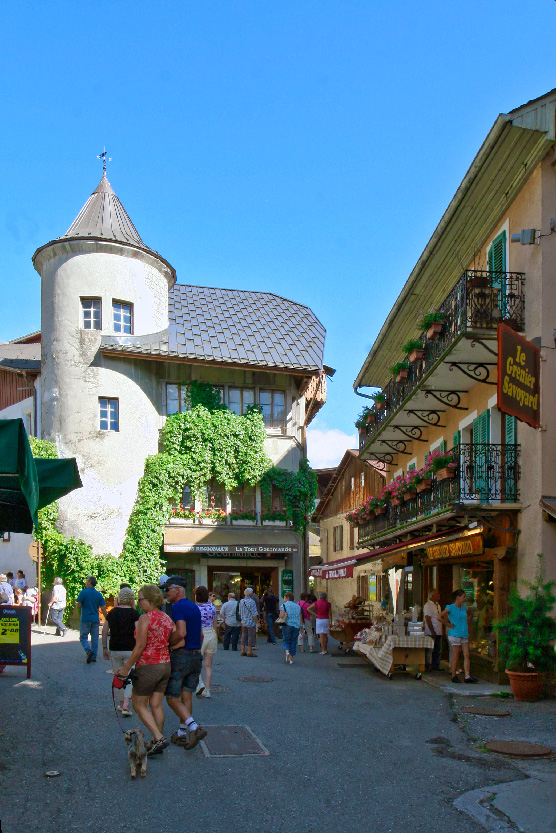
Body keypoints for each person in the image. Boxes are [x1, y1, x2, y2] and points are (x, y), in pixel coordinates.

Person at [116, 584, 174, 757]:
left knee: (139, 704)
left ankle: (158, 738)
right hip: (165, 665)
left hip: (148, 666)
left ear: (149, 600)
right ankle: (158, 741)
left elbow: (140, 646)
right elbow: (177, 633)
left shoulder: (145, 618)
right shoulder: (165, 617)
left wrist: (126, 668)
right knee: (156, 703)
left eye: (140, 599)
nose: (138, 603)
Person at [162, 576, 207, 750]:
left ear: (177, 589)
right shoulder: (194, 607)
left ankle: (194, 727)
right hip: (196, 655)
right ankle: (181, 733)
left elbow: (181, 632)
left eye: (167, 589)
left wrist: (168, 642)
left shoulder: (178, 606)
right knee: (186, 695)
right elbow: (201, 635)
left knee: (172, 697)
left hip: (182, 655)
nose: (165, 592)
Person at [102, 586, 140, 717]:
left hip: (115, 648)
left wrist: (104, 648)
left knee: (118, 675)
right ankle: (126, 704)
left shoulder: (112, 613)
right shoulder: (135, 614)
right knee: (129, 675)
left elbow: (105, 630)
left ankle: (121, 701)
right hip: (131, 649)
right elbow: (138, 632)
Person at [439, 589, 478, 684]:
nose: (464, 599)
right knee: (456, 655)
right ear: (458, 597)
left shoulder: (464, 608)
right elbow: (439, 616)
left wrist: (467, 622)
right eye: (463, 597)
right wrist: (448, 624)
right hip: (455, 633)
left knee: (466, 654)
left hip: (463, 633)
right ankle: (453, 675)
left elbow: (470, 614)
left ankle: (467, 676)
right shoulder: (450, 607)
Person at [77, 576, 107, 664]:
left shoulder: (83, 592)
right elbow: (103, 608)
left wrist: (82, 604)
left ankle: (88, 650)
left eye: (87, 581)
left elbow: (78, 605)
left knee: (83, 637)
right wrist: (107, 618)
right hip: (95, 618)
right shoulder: (98, 594)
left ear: (89, 582)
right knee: (95, 638)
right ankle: (94, 656)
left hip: (85, 618)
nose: (85, 582)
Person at [195, 585, 217, 699]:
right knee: (208, 665)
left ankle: (200, 683)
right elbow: (214, 623)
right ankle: (207, 690)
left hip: (200, 634)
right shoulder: (212, 607)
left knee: (197, 661)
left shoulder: (196, 608)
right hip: (211, 634)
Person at [279, 591, 304, 664]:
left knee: (286, 639)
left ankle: (287, 653)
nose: (284, 598)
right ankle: (291, 658)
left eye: (284, 597)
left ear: (287, 597)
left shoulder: (283, 605)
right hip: (296, 625)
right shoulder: (297, 606)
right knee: (293, 641)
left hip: (287, 624)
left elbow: (282, 616)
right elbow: (300, 617)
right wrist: (302, 626)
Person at [424, 589, 442, 672]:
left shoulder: (438, 605)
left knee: (437, 649)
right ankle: (427, 665)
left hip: (438, 631)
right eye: (437, 594)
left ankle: (435, 665)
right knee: (429, 649)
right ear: (432, 595)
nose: (439, 595)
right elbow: (428, 619)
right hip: (431, 632)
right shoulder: (428, 605)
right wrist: (432, 631)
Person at [239, 587, 260, 658]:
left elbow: (240, 612)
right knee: (251, 636)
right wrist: (257, 622)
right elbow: (254, 613)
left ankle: (242, 650)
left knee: (244, 635)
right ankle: (249, 651)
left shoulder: (241, 601)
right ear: (251, 593)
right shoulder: (252, 602)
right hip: (250, 622)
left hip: (243, 621)